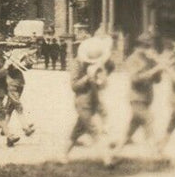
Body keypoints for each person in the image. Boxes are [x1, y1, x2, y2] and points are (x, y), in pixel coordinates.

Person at [63, 35, 115, 164]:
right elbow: (74, 86)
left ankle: (63, 155)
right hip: (82, 101)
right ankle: (107, 160)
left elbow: (105, 80)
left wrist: (101, 71)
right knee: (94, 129)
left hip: (95, 98)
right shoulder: (76, 64)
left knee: (78, 130)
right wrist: (87, 77)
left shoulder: (97, 63)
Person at [115, 33, 162, 154]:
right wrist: (154, 70)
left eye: (150, 46)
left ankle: (114, 154)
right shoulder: (132, 59)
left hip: (146, 98)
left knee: (131, 129)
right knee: (149, 120)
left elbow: (157, 80)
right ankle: (157, 153)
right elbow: (135, 78)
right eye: (147, 46)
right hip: (136, 98)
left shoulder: (149, 60)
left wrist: (158, 65)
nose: (150, 49)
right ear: (140, 46)